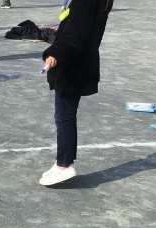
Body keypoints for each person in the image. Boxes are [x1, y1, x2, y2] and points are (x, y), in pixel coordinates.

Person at [39, 0, 113, 186]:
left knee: (64, 116)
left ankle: (64, 164)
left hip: (73, 65)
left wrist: (56, 54)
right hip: (80, 62)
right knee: (65, 115)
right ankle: (63, 161)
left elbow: (75, 35)